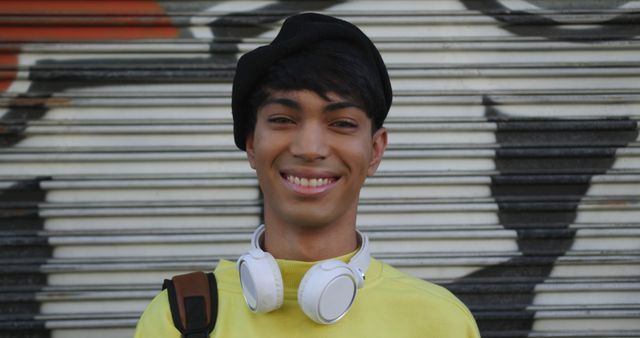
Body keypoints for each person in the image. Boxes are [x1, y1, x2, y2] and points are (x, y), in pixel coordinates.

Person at [134, 13, 480, 338]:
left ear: (375, 150)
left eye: (341, 123)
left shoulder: (440, 322)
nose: (310, 148)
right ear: (251, 144)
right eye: (283, 119)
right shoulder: (175, 320)